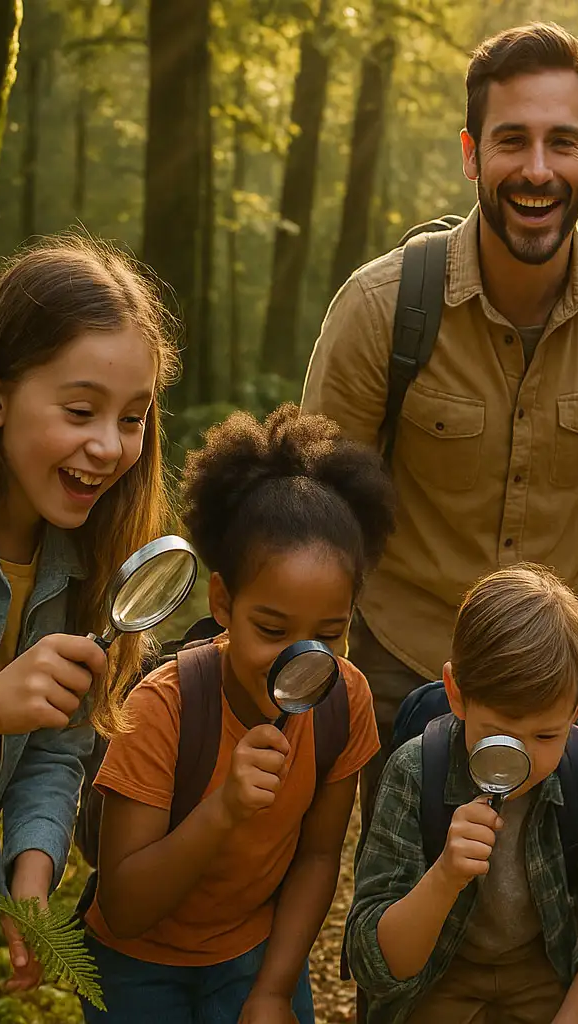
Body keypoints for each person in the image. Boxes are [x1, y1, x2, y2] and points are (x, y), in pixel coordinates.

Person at [302, 23, 578, 825]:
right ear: (473, 155)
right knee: (405, 912)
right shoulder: (381, 308)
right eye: (513, 142)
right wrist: (323, 678)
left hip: (556, 674)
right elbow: (311, 513)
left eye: (561, 143)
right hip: (404, 663)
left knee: (542, 914)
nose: (537, 170)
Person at [0, 236, 176, 1022]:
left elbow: (60, 745)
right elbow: (7, 712)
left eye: (133, 418)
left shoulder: (90, 561)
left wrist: (32, 864)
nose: (108, 446)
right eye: (80, 410)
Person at [81, 405, 394, 1023]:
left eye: (330, 634)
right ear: (222, 601)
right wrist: (223, 808)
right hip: (137, 967)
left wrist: (275, 988)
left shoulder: (344, 702)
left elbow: (317, 855)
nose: (302, 659)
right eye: (272, 628)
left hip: (255, 954)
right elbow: (124, 906)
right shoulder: (162, 708)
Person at [346, 563, 578, 1024]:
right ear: (456, 694)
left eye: (545, 737)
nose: (519, 759)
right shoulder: (414, 771)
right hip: (439, 978)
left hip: (546, 974)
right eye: (500, 737)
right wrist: (445, 876)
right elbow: (374, 963)